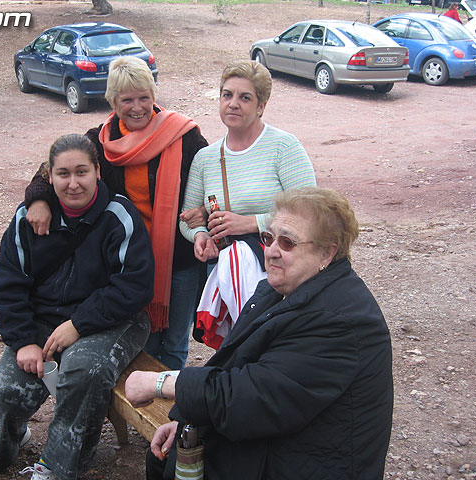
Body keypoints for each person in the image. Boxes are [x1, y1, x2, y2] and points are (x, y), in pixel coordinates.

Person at [127, 187, 394, 480]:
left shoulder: (340, 322)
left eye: (287, 242)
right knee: (166, 460)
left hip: (303, 462)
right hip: (277, 440)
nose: (270, 251)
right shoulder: (278, 289)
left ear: (327, 253)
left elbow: (250, 398)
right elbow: (232, 365)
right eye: (267, 238)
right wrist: (187, 421)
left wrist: (160, 383)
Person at [0, 134, 155, 480]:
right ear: (49, 176)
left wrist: (79, 323)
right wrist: (24, 340)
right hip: (46, 319)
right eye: (63, 174)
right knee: (6, 390)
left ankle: (59, 467)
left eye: (81, 172)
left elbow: (134, 287)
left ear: (97, 172)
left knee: (82, 371)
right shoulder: (28, 219)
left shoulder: (119, 216)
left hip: (114, 319)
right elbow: (8, 283)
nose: (73, 184)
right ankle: (11, 437)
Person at [24, 56, 208, 370]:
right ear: (112, 101)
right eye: (127, 100)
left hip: (178, 259)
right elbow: (53, 170)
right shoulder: (99, 141)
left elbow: (211, 178)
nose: (137, 107)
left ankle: (168, 411)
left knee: (175, 344)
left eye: (144, 98)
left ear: (154, 95)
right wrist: (38, 200)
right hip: (126, 262)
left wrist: (205, 209)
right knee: (142, 343)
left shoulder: (184, 136)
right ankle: (140, 406)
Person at [178, 59, 316, 346]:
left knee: (273, 343)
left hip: (276, 266)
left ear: (261, 105)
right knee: (237, 346)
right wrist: (201, 236)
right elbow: (190, 218)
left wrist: (251, 222)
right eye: (227, 95)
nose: (233, 104)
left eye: (245, 97)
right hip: (224, 271)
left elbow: (310, 210)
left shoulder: (284, 147)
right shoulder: (205, 158)